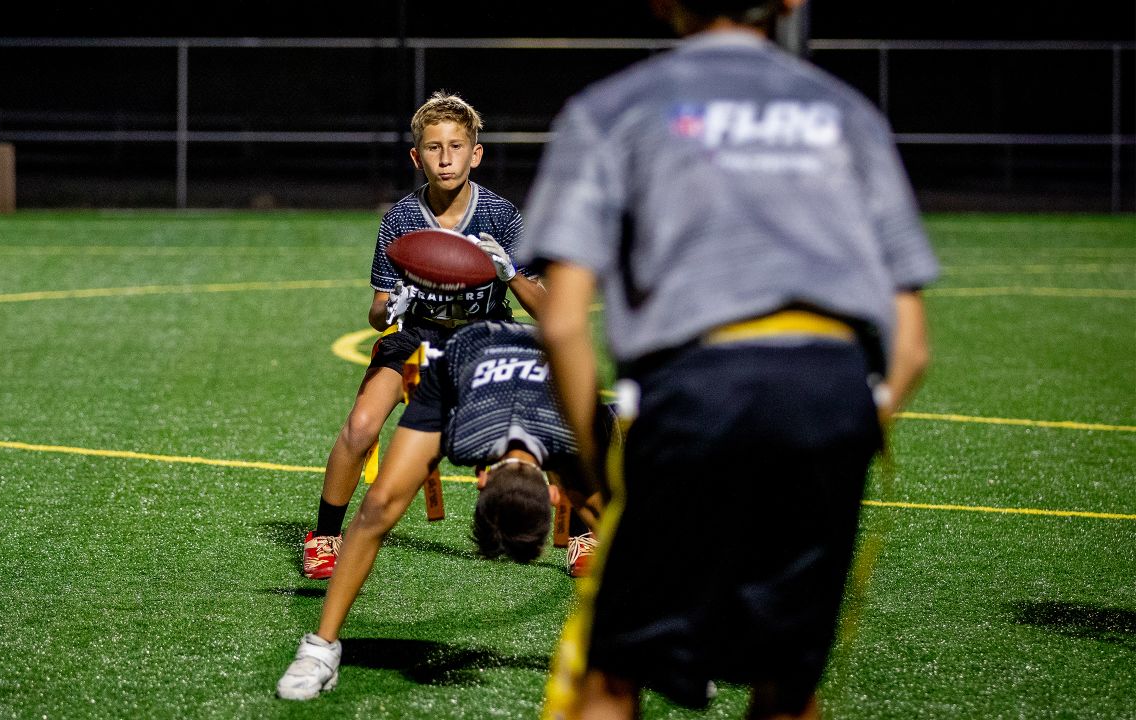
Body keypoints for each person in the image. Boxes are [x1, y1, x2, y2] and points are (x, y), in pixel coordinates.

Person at [520, 1, 939, 718]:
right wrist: (848, 426)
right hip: (828, 394)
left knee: (613, 675)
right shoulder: (846, 111)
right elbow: (913, 342)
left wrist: (604, 469)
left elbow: (560, 322)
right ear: (786, 3)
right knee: (785, 684)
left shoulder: (610, 108)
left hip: (696, 393)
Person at [276, 320, 603, 701]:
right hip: (455, 361)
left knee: (380, 506)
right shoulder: (555, 432)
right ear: (557, 495)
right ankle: (321, 647)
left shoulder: (563, 426)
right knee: (380, 503)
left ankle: (320, 649)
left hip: (528, 359)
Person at [302, 91, 548, 580]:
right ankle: (326, 534)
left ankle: (582, 532)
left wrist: (510, 273)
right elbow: (377, 311)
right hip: (418, 341)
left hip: (487, 340)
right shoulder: (401, 218)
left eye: (456, 146)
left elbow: (546, 309)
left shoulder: (501, 216)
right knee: (361, 426)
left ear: (475, 153)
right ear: (417, 157)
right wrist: (391, 306)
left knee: (545, 425)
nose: (446, 157)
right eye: (434, 148)